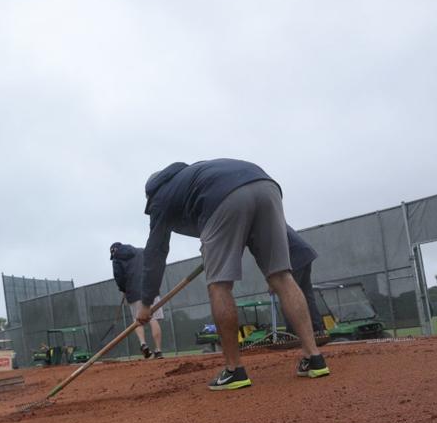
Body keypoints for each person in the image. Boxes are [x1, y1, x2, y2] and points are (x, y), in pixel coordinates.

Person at [137, 159, 330, 390]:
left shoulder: (161, 197)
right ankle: (314, 358)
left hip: (223, 198)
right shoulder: (196, 173)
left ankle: (234, 370)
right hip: (265, 185)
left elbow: (156, 252)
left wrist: (147, 302)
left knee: (219, 285)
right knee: (282, 277)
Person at [110, 242, 164, 358]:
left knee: (138, 320)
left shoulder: (117, 258)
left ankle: (143, 344)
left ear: (114, 251)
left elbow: (118, 277)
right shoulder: (141, 251)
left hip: (133, 292)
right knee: (153, 319)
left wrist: (123, 289)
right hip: (151, 288)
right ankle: (158, 350)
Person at [287, 227, 327, 336]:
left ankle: (292, 334)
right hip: (305, 254)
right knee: (306, 294)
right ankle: (317, 329)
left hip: (296, 258)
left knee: (287, 295)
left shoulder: (266, 225)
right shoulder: (276, 219)